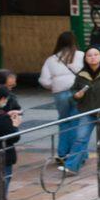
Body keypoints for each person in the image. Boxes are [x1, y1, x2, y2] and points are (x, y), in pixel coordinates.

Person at [39, 32, 86, 167]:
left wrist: (54, 85)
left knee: (64, 122)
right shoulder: (81, 55)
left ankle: (62, 154)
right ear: (74, 41)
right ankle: (77, 155)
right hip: (78, 92)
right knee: (77, 123)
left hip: (60, 94)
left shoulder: (51, 59)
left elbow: (44, 80)